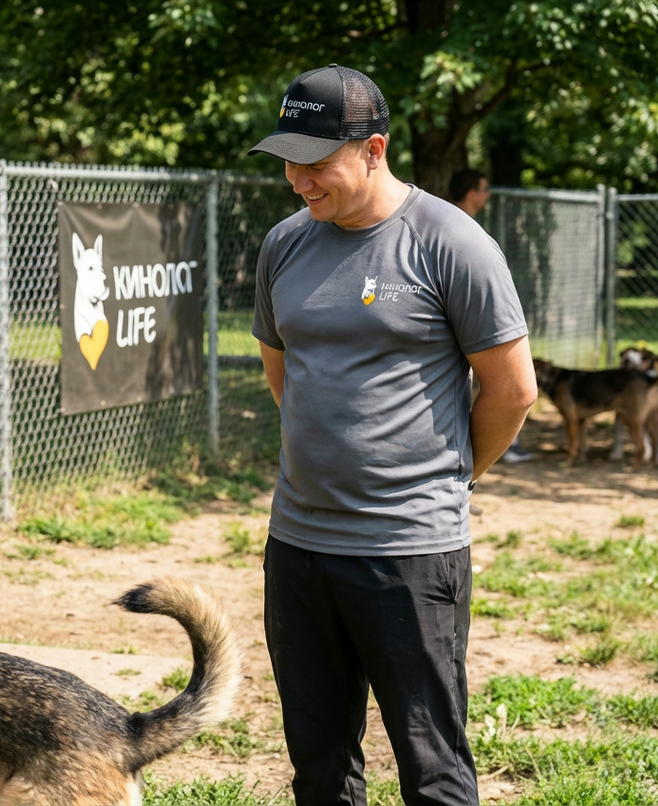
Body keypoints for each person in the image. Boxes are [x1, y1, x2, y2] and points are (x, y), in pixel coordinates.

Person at [248, 65, 537, 805]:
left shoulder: (452, 242)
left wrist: (449, 476)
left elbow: (512, 390)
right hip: (299, 546)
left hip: (409, 550)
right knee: (319, 767)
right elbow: (284, 371)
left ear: (373, 149)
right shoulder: (284, 244)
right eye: (288, 161)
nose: (298, 180)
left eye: (315, 163)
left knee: (432, 769)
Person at [449, 168, 533, 464]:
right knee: (498, 382)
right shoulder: (459, 228)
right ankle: (489, 451)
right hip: (464, 324)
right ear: (472, 192)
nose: (486, 196)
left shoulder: (449, 222)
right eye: (484, 190)